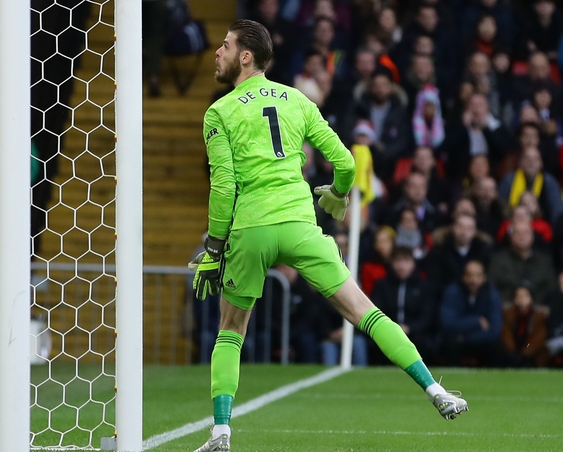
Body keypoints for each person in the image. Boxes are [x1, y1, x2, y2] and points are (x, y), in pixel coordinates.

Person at [189, 19, 468, 452]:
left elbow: (224, 186)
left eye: (224, 46)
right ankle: (435, 390)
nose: (217, 53)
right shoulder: (297, 99)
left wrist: (213, 248)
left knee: (231, 331)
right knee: (366, 312)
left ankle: (221, 432)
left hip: (250, 230)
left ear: (245, 56)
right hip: (301, 227)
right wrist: (337, 196)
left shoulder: (219, 112)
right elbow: (345, 162)